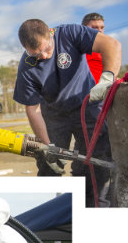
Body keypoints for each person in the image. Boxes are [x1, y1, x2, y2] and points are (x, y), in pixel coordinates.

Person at [13, 18, 121, 206]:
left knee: (95, 160)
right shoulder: (26, 67)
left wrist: (108, 77)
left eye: (46, 50)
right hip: (53, 116)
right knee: (49, 165)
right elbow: (33, 109)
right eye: (36, 55)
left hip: (86, 106)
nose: (44, 57)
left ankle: (94, 206)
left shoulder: (69, 34)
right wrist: (48, 147)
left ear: (51, 34)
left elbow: (112, 44)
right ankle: (47, 210)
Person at [82, 12, 106, 83]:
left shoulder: (106, 48)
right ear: (83, 29)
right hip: (86, 91)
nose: (100, 30)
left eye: (102, 27)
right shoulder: (78, 48)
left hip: (107, 89)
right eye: (95, 27)